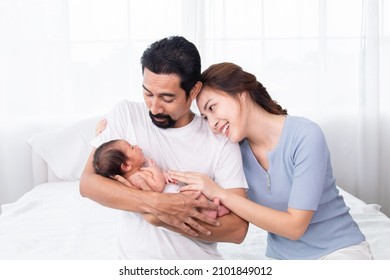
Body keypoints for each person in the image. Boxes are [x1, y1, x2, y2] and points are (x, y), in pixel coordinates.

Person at [169, 62, 374, 260]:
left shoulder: (305, 135)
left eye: (212, 108)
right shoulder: (233, 151)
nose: (212, 124)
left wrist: (220, 193)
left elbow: (295, 227)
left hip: (338, 251)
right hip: (283, 259)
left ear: (241, 94)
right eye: (205, 117)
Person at [79, 37, 248, 259]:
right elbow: (88, 184)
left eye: (167, 98)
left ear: (194, 90)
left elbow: (237, 230)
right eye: (148, 93)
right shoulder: (126, 115)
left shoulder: (220, 140)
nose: (154, 107)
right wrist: (157, 204)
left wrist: (161, 219)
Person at [93, 138, 230, 218]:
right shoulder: (136, 178)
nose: (137, 146)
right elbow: (157, 187)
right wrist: (156, 170)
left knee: (194, 194)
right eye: (132, 147)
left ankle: (210, 208)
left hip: (171, 192)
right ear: (127, 166)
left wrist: (165, 175)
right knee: (195, 196)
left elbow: (158, 181)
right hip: (171, 197)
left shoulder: (139, 172)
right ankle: (211, 210)